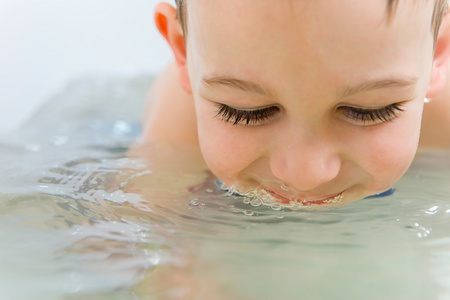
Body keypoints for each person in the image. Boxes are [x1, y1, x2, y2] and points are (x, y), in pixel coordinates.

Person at [139, 0, 450, 209]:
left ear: (438, 52)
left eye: (368, 111)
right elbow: (131, 242)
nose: (306, 175)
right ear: (182, 51)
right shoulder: (177, 122)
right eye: (246, 112)